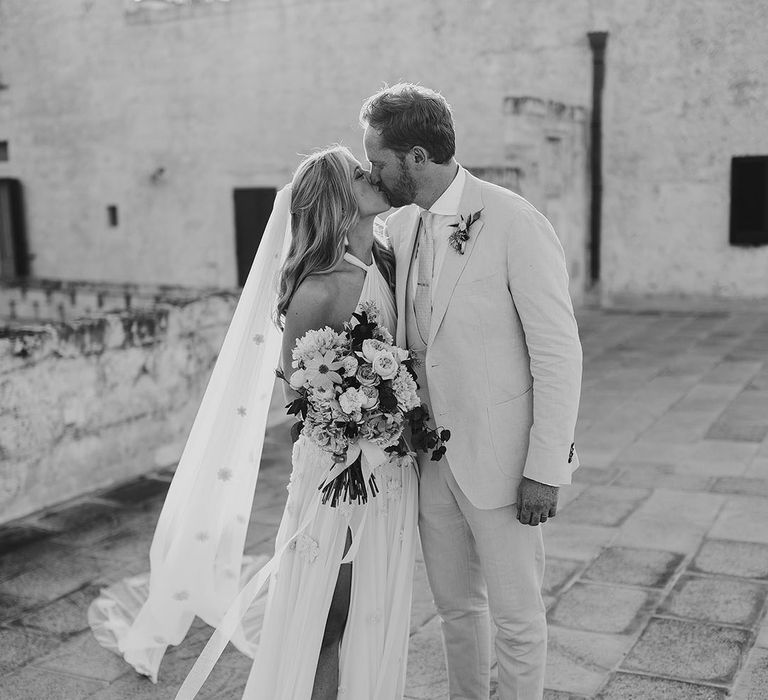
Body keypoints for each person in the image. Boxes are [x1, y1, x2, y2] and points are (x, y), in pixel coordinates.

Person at [89, 145, 419, 700]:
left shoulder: (389, 258)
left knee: (373, 604)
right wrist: (361, 415)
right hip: (337, 470)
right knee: (328, 614)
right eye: (359, 175)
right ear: (340, 200)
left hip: (390, 469)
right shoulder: (317, 288)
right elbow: (298, 388)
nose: (373, 177)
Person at [361, 83, 583, 700]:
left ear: (415, 159)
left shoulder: (514, 221)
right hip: (431, 460)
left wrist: (546, 467)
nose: (371, 173)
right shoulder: (399, 228)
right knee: (457, 612)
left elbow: (559, 353)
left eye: (378, 160)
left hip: (505, 463)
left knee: (516, 618)